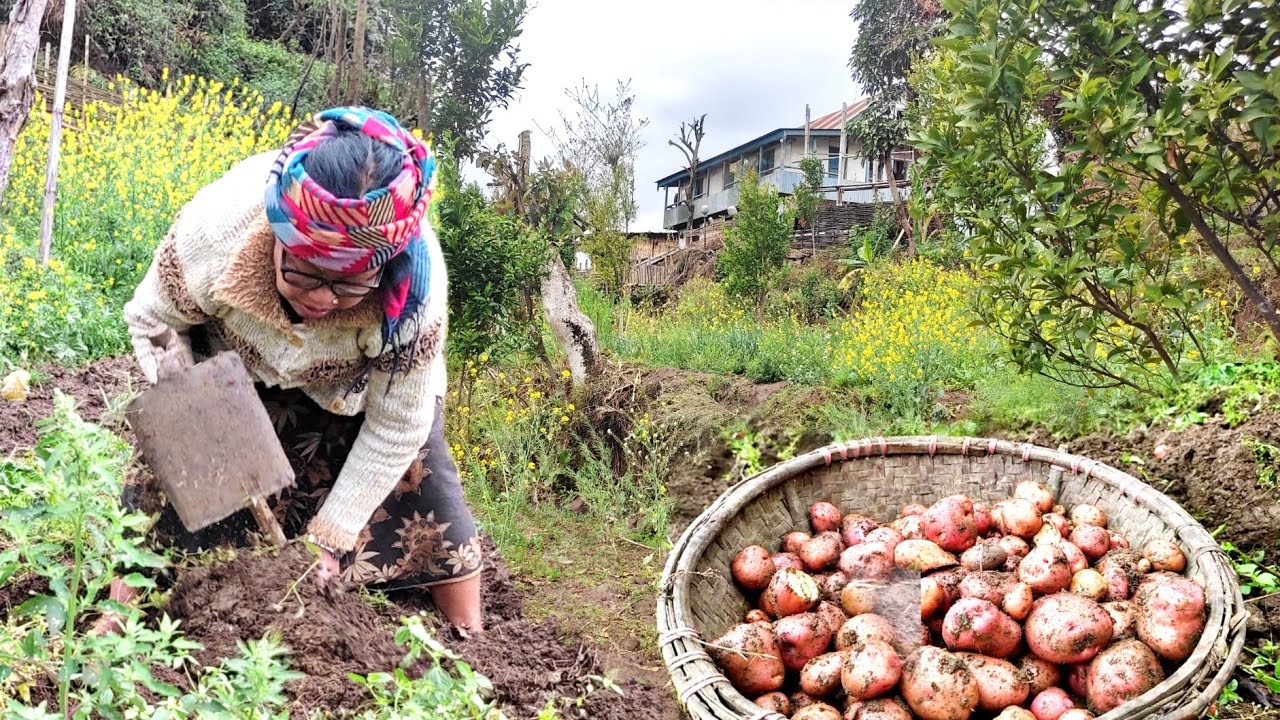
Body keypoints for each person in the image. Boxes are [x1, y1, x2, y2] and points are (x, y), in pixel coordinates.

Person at [108, 107, 483, 633]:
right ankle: (116, 619)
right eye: (307, 275)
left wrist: (332, 537)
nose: (326, 299)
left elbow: (398, 425)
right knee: (170, 481)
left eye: (351, 284)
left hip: (359, 390)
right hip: (231, 368)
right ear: (279, 240)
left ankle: (476, 648)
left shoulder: (416, 295)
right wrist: (194, 416)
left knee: (429, 492)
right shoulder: (219, 228)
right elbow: (152, 320)